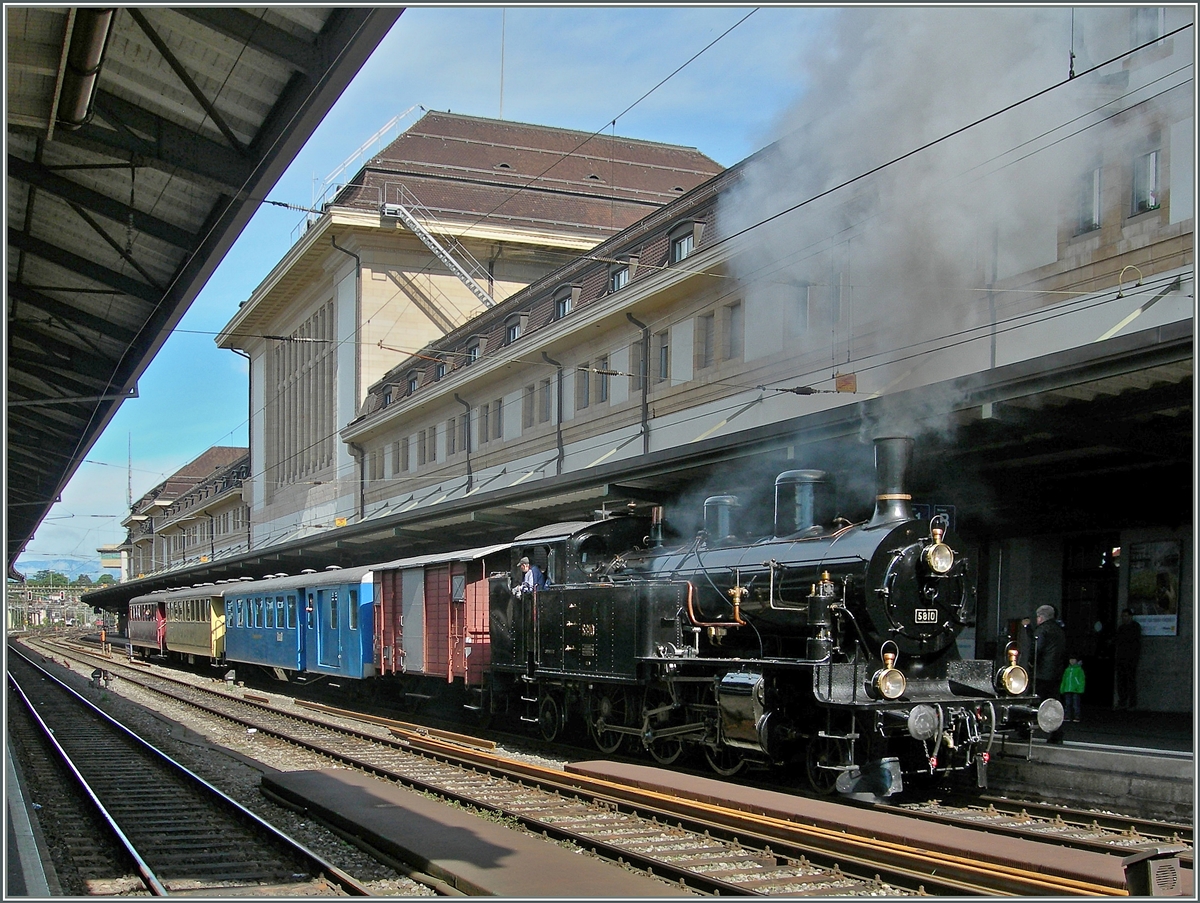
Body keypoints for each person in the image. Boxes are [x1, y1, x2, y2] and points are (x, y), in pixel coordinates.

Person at [1031, 603, 1066, 744]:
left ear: (1041, 617)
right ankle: (1057, 733)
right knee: (1054, 703)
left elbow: (1036, 650)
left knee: (1033, 701)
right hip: (1056, 672)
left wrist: (1031, 663)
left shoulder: (1042, 630)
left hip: (1042, 673)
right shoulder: (1060, 630)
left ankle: (1025, 731)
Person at [1114, 607, 1142, 710]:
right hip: (1122, 658)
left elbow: (1136, 644)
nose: (1124, 618)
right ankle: (1123, 701)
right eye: (1123, 616)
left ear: (1130, 617)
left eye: (1126, 616)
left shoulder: (1135, 627)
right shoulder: (1121, 628)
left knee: (1130, 681)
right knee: (1121, 681)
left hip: (1130, 659)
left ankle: (1132, 703)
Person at [1060, 657, 1085, 722]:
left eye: (1074, 659)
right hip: (1067, 689)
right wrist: (1062, 688)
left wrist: (1080, 689)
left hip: (1075, 690)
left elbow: (1082, 680)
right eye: (1071, 659)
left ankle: (1077, 716)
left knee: (1075, 704)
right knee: (1067, 704)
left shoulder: (1079, 670)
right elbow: (1064, 679)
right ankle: (1067, 716)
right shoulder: (1067, 670)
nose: (1072, 661)